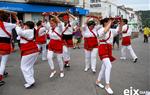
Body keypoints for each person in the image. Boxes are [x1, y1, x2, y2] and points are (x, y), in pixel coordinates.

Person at [96, 18, 122, 94]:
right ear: (104, 23)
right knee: (109, 66)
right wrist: (111, 22)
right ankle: (107, 85)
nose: (111, 22)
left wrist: (121, 23)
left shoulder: (112, 30)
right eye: (108, 21)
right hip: (103, 48)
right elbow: (104, 31)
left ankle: (98, 81)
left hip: (109, 49)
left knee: (103, 68)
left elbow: (119, 31)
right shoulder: (101, 29)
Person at [16, 21, 39, 88]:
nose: (24, 26)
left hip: (28, 51)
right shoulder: (29, 31)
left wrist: (17, 25)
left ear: (28, 26)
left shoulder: (28, 31)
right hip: (33, 50)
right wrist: (20, 25)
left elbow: (19, 32)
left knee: (23, 67)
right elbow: (20, 34)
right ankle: (31, 80)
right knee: (29, 66)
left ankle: (30, 81)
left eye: (25, 25)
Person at [0, 10, 18, 86]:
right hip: (6, 44)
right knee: (3, 62)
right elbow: (17, 23)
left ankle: (3, 72)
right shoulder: (10, 25)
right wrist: (14, 16)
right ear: (7, 19)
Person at [46, 13, 64, 78]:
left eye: (52, 23)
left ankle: (61, 71)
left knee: (59, 59)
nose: (51, 25)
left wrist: (55, 16)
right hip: (51, 43)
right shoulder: (50, 29)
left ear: (56, 23)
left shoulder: (59, 28)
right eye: (50, 23)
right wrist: (46, 15)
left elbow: (59, 23)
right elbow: (44, 23)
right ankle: (53, 70)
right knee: (49, 57)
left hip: (58, 44)